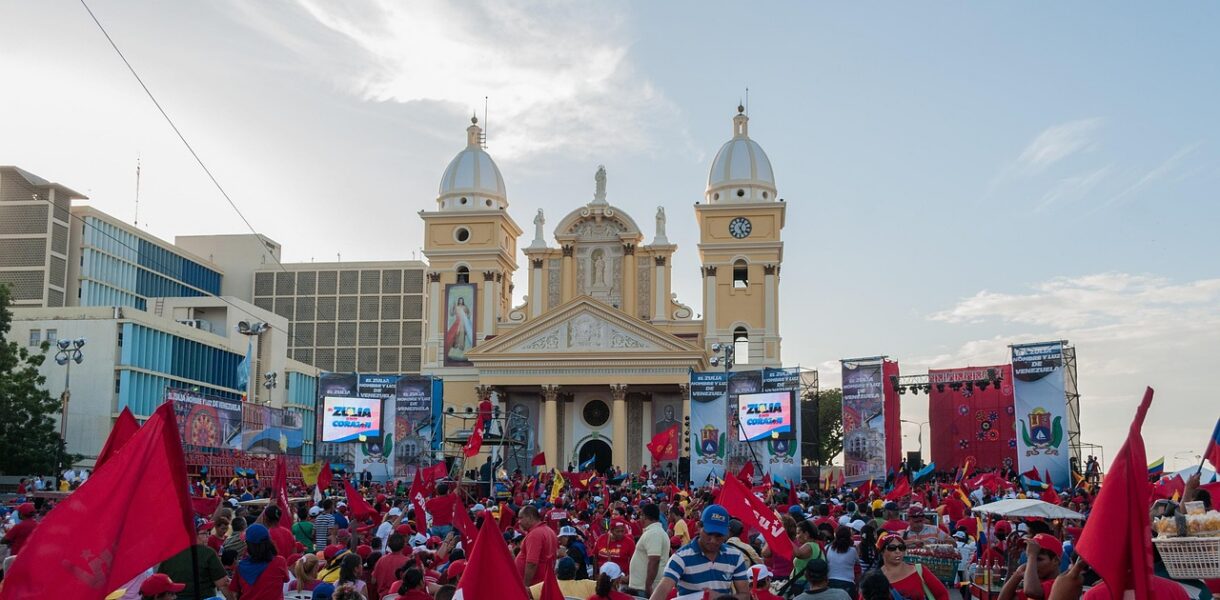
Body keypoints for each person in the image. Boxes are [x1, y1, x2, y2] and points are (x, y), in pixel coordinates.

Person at [647, 504, 750, 600]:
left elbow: (745, 595)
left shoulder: (735, 556)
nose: (713, 540)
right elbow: (664, 588)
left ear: (727, 532)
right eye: (709, 533)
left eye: (718, 536)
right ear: (699, 526)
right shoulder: (681, 557)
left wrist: (719, 598)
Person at [158, 520, 231, 600]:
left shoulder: (169, 553)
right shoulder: (207, 553)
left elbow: (159, 583)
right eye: (204, 533)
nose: (208, 536)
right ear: (193, 535)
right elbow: (223, 584)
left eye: (208, 533)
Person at [875, 532, 949, 600]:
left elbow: (942, 594)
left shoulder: (919, 570)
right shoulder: (874, 578)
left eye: (901, 547)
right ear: (882, 551)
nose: (898, 551)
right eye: (892, 548)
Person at [231, 523, 290, 600]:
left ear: (249, 545)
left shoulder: (241, 566)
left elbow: (234, 593)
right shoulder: (280, 562)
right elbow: (286, 579)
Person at [998, 534, 1062, 600]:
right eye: (1030, 559)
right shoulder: (1037, 583)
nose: (1032, 564)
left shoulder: (1060, 584)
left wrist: (1032, 556)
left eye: (1039, 559)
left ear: (1055, 561)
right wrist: (1017, 575)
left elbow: (1031, 591)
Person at [628, 503, 670, 596]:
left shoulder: (654, 533)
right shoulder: (654, 531)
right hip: (642, 586)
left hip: (643, 588)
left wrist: (648, 585)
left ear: (645, 516)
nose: (640, 519)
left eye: (641, 515)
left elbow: (654, 560)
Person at [515, 505, 558, 586]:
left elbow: (532, 563)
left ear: (530, 517)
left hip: (534, 586)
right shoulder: (549, 530)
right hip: (542, 583)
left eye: (521, 518)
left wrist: (525, 587)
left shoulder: (535, 534)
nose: (519, 522)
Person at [528, 557, 598, 599]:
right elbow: (605, 586)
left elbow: (526, 592)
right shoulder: (587, 585)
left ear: (557, 572)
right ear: (574, 572)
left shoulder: (547, 586)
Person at [372, 533, 410, 598]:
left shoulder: (381, 560)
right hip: (401, 597)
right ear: (404, 545)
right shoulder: (408, 561)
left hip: (384, 597)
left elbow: (373, 581)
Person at [825, 526, 859, 597]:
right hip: (848, 583)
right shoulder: (853, 551)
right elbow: (858, 564)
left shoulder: (828, 548)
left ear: (835, 535)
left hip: (830, 582)